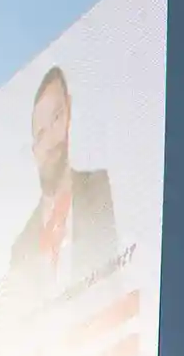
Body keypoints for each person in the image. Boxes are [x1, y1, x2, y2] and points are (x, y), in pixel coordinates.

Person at [8, 66, 120, 284]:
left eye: (57, 117)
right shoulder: (21, 247)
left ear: (69, 114)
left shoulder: (101, 189)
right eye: (41, 133)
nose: (50, 140)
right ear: (33, 151)